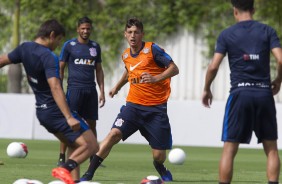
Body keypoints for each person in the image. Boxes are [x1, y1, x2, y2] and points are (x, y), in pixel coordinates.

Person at [80, 17, 179, 182]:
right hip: (133, 107)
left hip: (156, 109)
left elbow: (174, 68)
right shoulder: (126, 54)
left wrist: (156, 78)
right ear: (125, 34)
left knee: (159, 155)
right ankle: (88, 175)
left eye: (136, 32)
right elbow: (129, 71)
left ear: (142, 34)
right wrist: (117, 87)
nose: (133, 36)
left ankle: (159, 166)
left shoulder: (152, 50)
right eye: (130, 32)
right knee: (113, 134)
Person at [0, 19, 99, 184]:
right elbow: (55, 87)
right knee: (91, 145)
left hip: (42, 112)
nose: (58, 44)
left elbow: (2, 60)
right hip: (57, 111)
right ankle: (64, 169)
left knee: (75, 145)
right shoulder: (48, 57)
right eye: (58, 39)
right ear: (52, 35)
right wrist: (68, 116)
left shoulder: (25, 48)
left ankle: (72, 181)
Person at [202, 0, 282, 184]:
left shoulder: (227, 34)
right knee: (271, 148)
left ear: (234, 11)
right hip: (264, 94)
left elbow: (213, 66)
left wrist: (207, 89)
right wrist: (278, 80)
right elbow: (280, 60)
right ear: (253, 9)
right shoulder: (267, 31)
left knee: (230, 148)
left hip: (240, 94)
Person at [58, 16, 105, 166]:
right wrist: (58, 87)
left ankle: (93, 157)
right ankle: (61, 157)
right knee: (70, 124)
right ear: (78, 29)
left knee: (92, 124)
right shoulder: (69, 45)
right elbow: (61, 68)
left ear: (91, 29)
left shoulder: (95, 47)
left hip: (90, 90)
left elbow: (99, 70)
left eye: (88, 28)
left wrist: (102, 91)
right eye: (83, 28)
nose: (85, 31)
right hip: (74, 90)